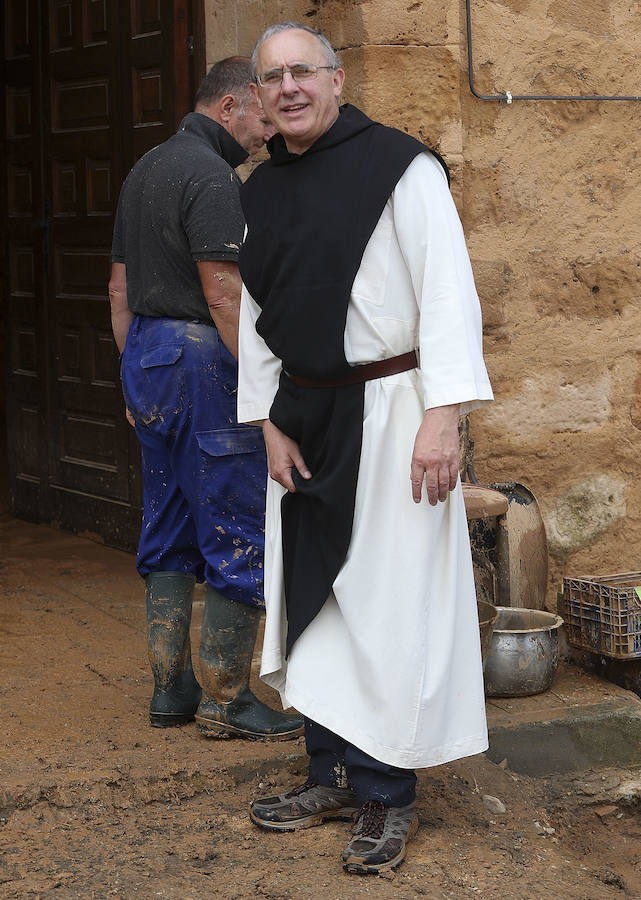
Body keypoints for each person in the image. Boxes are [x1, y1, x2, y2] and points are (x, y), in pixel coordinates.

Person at [236, 23, 494, 874]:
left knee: (385, 608)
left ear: (337, 80)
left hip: (389, 413)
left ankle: (385, 794)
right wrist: (267, 417)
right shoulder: (261, 189)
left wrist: (442, 415)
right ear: (260, 96)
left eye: (302, 70)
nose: (288, 87)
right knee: (315, 606)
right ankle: (328, 771)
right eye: (271, 77)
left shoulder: (401, 167)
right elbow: (257, 315)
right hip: (303, 418)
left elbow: (448, 295)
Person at [108, 57, 303, 742]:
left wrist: (135, 375)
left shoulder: (145, 170)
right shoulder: (211, 176)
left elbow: (118, 290)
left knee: (165, 524)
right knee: (234, 522)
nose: (262, 135)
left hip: (152, 355)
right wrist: (263, 387)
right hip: (201, 361)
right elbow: (222, 293)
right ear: (230, 105)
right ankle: (227, 698)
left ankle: (171, 692)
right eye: (259, 118)